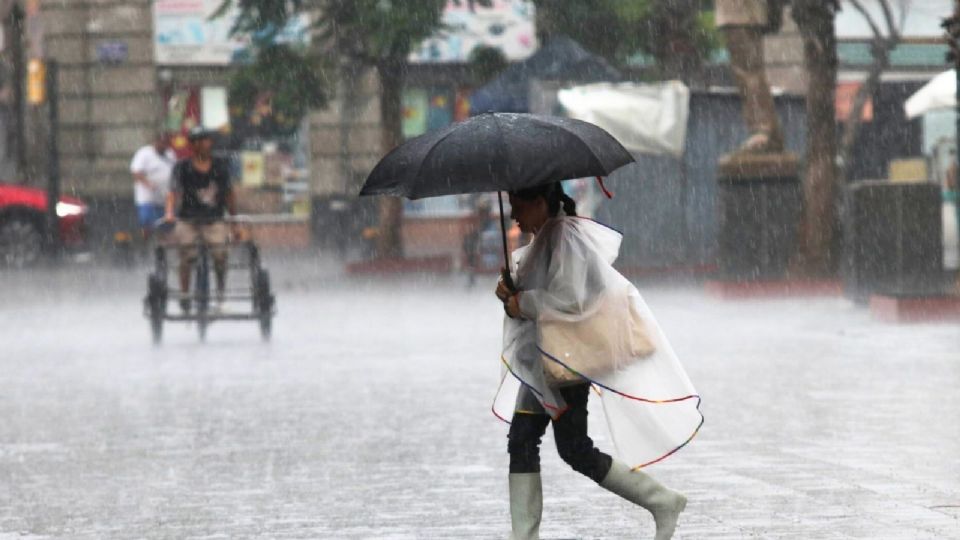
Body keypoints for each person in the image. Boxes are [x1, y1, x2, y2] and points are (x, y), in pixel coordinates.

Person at [493, 182, 702, 540]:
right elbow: (547, 291)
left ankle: (662, 501)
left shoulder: (566, 237)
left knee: (572, 448)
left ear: (540, 202)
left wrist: (522, 303)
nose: (513, 214)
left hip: (566, 361)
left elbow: (571, 299)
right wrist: (510, 291)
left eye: (518, 205)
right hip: (543, 360)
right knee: (523, 440)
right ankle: (523, 536)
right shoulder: (547, 235)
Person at [163, 127, 243, 313]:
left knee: (220, 255)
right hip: (188, 220)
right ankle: (185, 295)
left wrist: (234, 222)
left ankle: (221, 295)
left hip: (214, 219)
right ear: (193, 145)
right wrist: (169, 213)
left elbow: (229, 195)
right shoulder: (181, 167)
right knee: (186, 255)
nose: (205, 144)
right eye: (200, 140)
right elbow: (172, 193)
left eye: (207, 140)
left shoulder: (220, 166)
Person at [717, 0, 785, 154]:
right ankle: (768, 132)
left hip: (741, 12)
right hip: (740, 13)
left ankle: (763, 130)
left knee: (747, 72)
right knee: (747, 72)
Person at [131, 132, 176, 242]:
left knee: (165, 223)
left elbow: (175, 170)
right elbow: (136, 172)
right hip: (147, 195)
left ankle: (162, 245)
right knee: (146, 219)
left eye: (166, 143)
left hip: (165, 196)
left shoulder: (170, 154)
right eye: (162, 143)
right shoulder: (144, 153)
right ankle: (145, 238)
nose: (164, 146)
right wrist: (147, 183)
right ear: (156, 142)